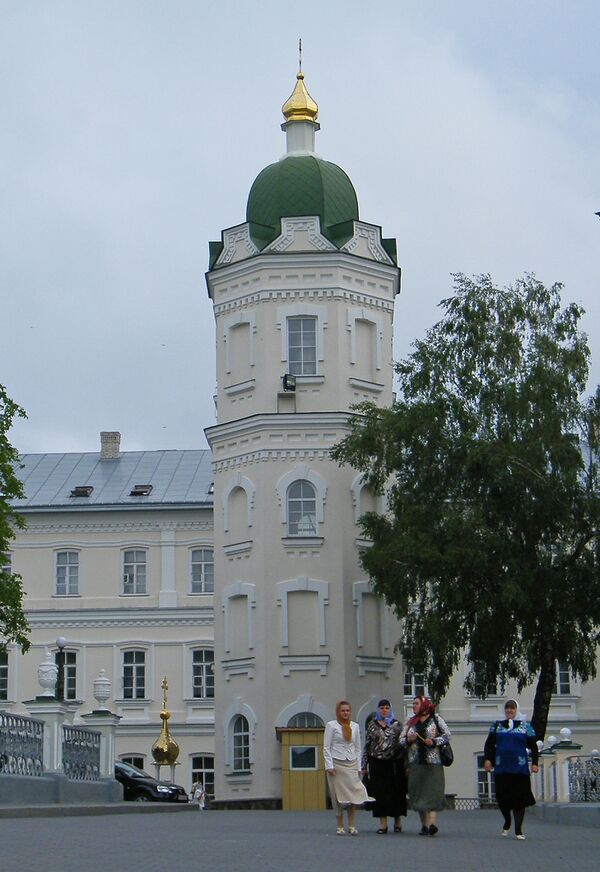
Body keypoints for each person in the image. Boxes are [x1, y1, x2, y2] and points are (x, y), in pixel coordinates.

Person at [483, 699, 539, 840]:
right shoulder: (497, 726)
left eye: (512, 708)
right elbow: (489, 744)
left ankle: (518, 830)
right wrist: (488, 759)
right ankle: (507, 820)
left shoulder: (525, 727)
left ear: (516, 710)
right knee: (502, 798)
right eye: (507, 708)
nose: (509, 710)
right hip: (502, 767)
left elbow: (534, 746)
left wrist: (535, 763)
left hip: (519, 769)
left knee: (519, 799)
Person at [400, 695, 451, 836]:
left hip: (433, 763)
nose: (414, 706)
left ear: (424, 705)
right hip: (416, 763)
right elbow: (400, 741)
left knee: (433, 792)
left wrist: (434, 741)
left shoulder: (436, 719)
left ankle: (432, 824)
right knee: (419, 794)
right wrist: (409, 739)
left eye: (416, 703)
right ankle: (424, 825)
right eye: (413, 704)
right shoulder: (410, 722)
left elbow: (447, 735)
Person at [323, 700, 374, 835]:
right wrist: (329, 765)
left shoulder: (355, 726)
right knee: (338, 796)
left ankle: (352, 825)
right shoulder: (331, 726)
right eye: (343, 711)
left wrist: (359, 767)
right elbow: (326, 747)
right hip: (336, 764)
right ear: (338, 712)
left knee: (353, 795)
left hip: (351, 763)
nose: (345, 713)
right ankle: (340, 825)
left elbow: (358, 748)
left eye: (347, 710)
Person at [361, 698, 407, 833]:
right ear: (378, 710)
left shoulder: (397, 725)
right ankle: (383, 824)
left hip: (394, 763)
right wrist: (363, 766)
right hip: (377, 763)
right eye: (382, 708)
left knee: (396, 792)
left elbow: (403, 744)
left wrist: (406, 764)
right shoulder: (372, 725)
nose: (384, 710)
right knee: (380, 793)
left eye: (387, 708)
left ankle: (397, 821)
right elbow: (367, 745)